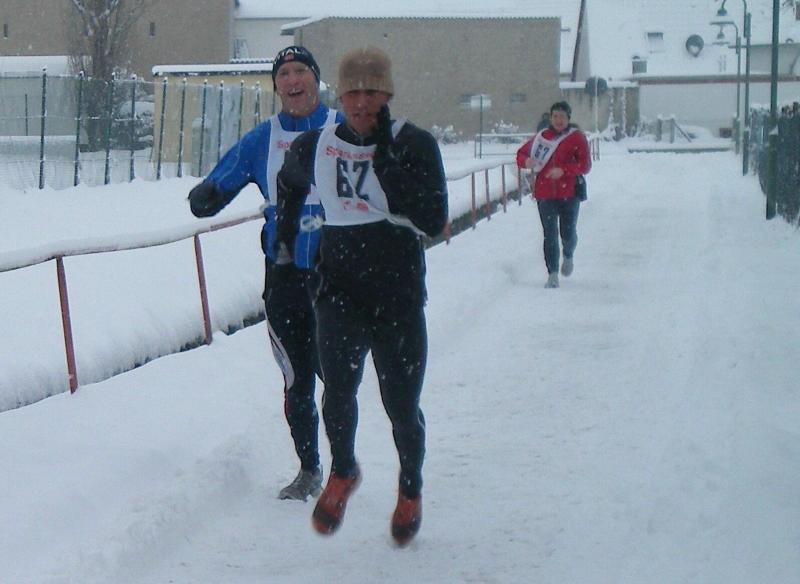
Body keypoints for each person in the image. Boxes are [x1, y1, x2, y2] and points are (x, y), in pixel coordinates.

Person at [275, 46, 448, 546]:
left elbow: (434, 219)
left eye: (373, 92)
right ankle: (343, 469)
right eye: (353, 92)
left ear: (387, 94)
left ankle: (410, 485)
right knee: (338, 390)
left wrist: (388, 168)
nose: (362, 102)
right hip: (340, 289)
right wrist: (285, 244)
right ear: (341, 95)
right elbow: (289, 184)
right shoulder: (316, 144)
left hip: (398, 292)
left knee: (401, 405)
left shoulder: (413, 143)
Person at [187, 46, 344, 501]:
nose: (293, 81)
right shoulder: (263, 139)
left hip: (339, 276)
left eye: (301, 71)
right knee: (296, 379)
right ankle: (309, 470)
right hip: (285, 276)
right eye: (284, 74)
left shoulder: (346, 130)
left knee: (337, 379)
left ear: (316, 78)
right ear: (276, 86)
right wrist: (207, 194)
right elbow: (219, 185)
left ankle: (343, 467)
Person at [516, 101, 592, 288]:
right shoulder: (542, 138)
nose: (559, 120)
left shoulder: (576, 138)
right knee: (549, 234)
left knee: (567, 233)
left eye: (562, 116)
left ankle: (568, 253)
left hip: (570, 193)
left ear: (568, 118)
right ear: (550, 118)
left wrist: (564, 171)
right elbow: (520, 154)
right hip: (545, 194)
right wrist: (527, 161)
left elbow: (585, 165)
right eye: (555, 116)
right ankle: (552, 274)